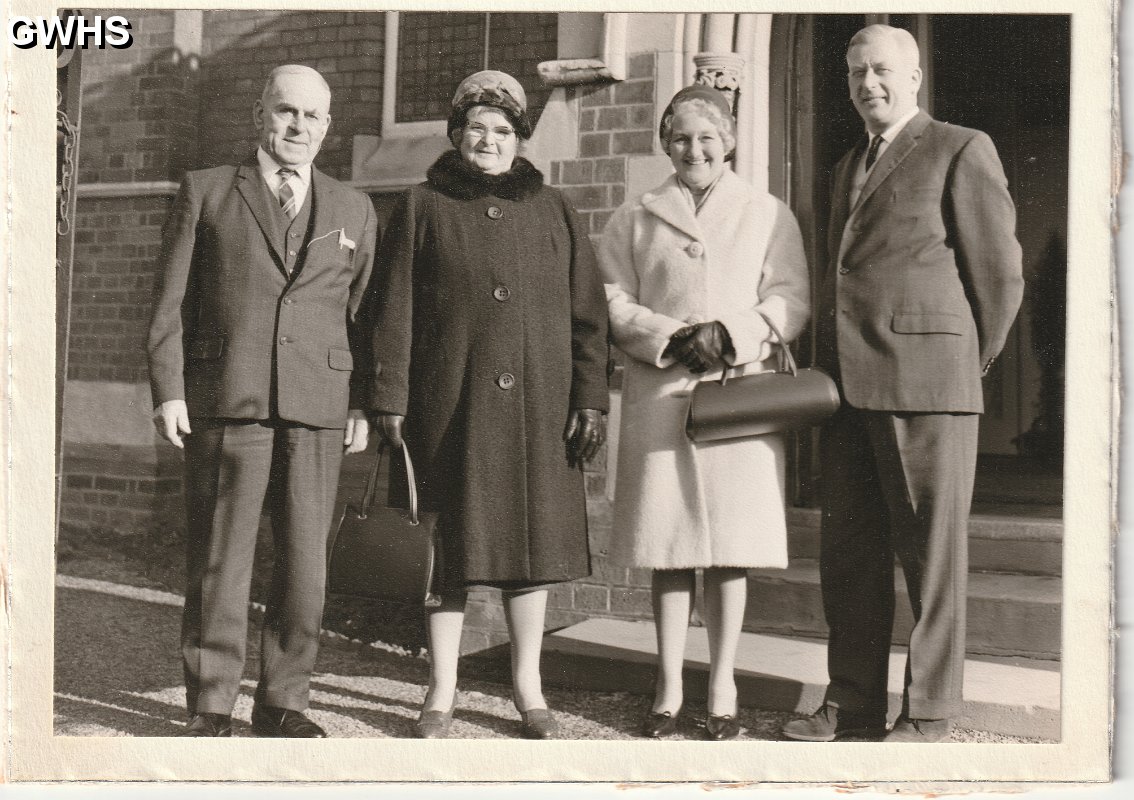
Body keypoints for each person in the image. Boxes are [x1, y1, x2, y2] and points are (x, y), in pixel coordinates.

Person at [782, 25, 1024, 743]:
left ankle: (929, 711)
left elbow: (1000, 278)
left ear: (914, 77)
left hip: (929, 386)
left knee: (931, 559)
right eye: (856, 73)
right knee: (849, 557)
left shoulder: (960, 147)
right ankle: (852, 703)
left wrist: (960, 363)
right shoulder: (845, 166)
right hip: (848, 393)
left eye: (882, 70)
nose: (868, 84)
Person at [370, 70, 609, 740]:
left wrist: (590, 399)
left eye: (503, 130)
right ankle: (441, 687)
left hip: (540, 410)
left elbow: (589, 317)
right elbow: (391, 309)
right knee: (446, 552)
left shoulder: (554, 209)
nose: (489, 140)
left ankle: (528, 685)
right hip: (448, 408)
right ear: (456, 134)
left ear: (519, 139)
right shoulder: (421, 206)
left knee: (529, 550)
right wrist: (389, 396)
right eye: (476, 128)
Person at [147, 64, 379, 738]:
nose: (298, 126)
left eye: (312, 115)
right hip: (228, 396)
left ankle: (284, 701)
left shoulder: (354, 208)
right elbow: (170, 301)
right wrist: (169, 390)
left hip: (319, 404)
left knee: (306, 565)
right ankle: (211, 702)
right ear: (260, 115)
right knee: (221, 558)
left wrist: (361, 403)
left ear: (328, 127)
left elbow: (363, 318)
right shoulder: (209, 190)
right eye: (286, 111)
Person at [598, 85, 811, 741]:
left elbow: (790, 299)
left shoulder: (766, 213)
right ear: (666, 144)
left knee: (728, 550)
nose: (695, 150)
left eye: (707, 138)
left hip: (736, 395)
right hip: (662, 394)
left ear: (730, 143)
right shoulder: (634, 218)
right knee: (669, 547)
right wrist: (668, 336)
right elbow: (612, 300)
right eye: (682, 138)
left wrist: (731, 334)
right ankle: (667, 686)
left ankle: (722, 685)